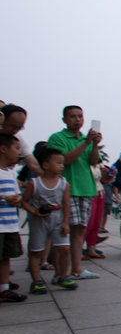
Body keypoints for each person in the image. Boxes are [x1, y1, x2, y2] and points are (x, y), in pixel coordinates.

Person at [47, 105, 102, 281]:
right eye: (72, 116)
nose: (77, 119)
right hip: (66, 189)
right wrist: (85, 143)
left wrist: (93, 145)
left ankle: (77, 268)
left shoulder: (87, 139)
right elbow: (65, 160)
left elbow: (93, 162)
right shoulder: (57, 138)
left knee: (79, 230)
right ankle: (59, 271)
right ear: (64, 119)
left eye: (80, 116)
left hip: (86, 188)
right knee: (63, 230)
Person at [21, 146, 75, 293]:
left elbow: (66, 204)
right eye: (58, 163)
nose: (61, 166)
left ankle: (63, 276)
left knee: (64, 248)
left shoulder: (64, 184)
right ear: (45, 165)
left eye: (62, 163)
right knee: (36, 250)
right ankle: (37, 280)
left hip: (58, 219)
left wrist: (65, 223)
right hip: (39, 220)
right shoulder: (35, 183)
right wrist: (34, 212)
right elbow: (24, 201)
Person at [0, 134, 27, 302]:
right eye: (16, 149)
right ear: (3, 149)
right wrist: (3, 198)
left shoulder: (10, 173)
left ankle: (4, 288)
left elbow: (16, 195)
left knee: (5, 257)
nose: (19, 152)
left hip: (10, 224)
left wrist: (17, 199)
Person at [0, 104, 41, 177]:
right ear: (2, 119)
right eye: (12, 126)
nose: (15, 131)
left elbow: (33, 165)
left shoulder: (18, 140)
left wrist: (49, 177)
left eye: (19, 128)